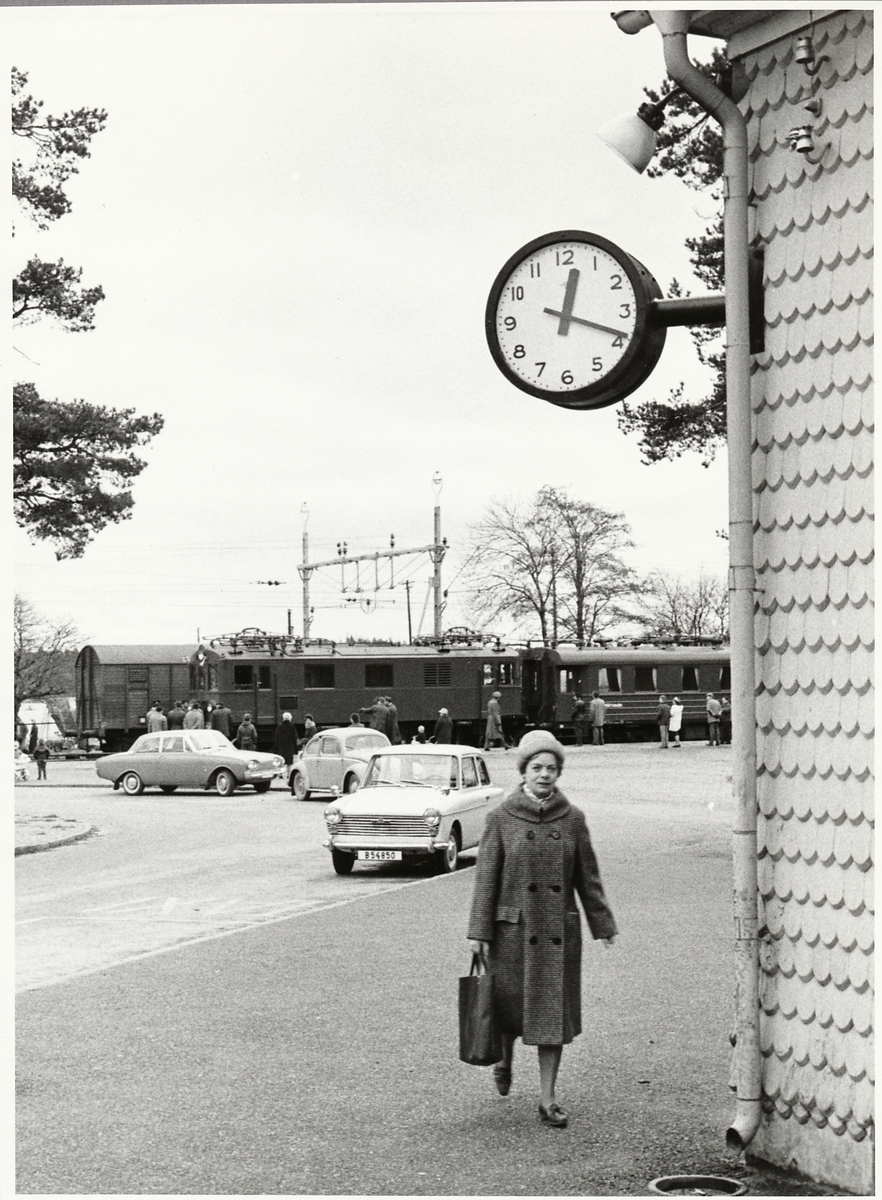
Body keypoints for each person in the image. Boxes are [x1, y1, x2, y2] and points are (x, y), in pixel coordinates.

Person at [467, 729, 617, 1129]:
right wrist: (479, 931)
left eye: (552, 768)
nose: (545, 774)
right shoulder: (500, 818)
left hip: (556, 935)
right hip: (511, 933)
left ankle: (548, 1099)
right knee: (508, 1013)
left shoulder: (573, 819)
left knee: (552, 1020)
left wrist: (602, 924)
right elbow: (486, 879)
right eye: (537, 767)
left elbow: (588, 877)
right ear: (523, 771)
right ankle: (504, 1059)